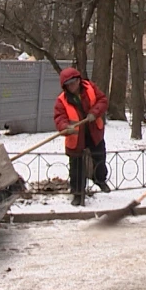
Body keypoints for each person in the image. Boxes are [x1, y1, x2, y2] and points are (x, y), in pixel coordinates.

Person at [53, 67, 110, 206]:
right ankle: (78, 193)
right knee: (76, 166)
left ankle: (100, 180)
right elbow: (59, 118)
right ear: (65, 86)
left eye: (74, 82)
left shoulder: (90, 88)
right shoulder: (62, 100)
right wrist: (66, 127)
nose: (73, 86)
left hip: (93, 131)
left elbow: (102, 100)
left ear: (79, 80)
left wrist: (94, 113)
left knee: (99, 156)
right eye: (69, 84)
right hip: (76, 137)